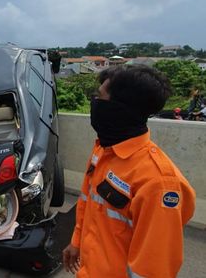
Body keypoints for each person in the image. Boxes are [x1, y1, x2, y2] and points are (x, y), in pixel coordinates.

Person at [63, 65, 196, 278]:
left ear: (120, 108)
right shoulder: (103, 150)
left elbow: (153, 271)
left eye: (100, 98)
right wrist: (76, 241)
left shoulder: (158, 183)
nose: (94, 104)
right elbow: (87, 201)